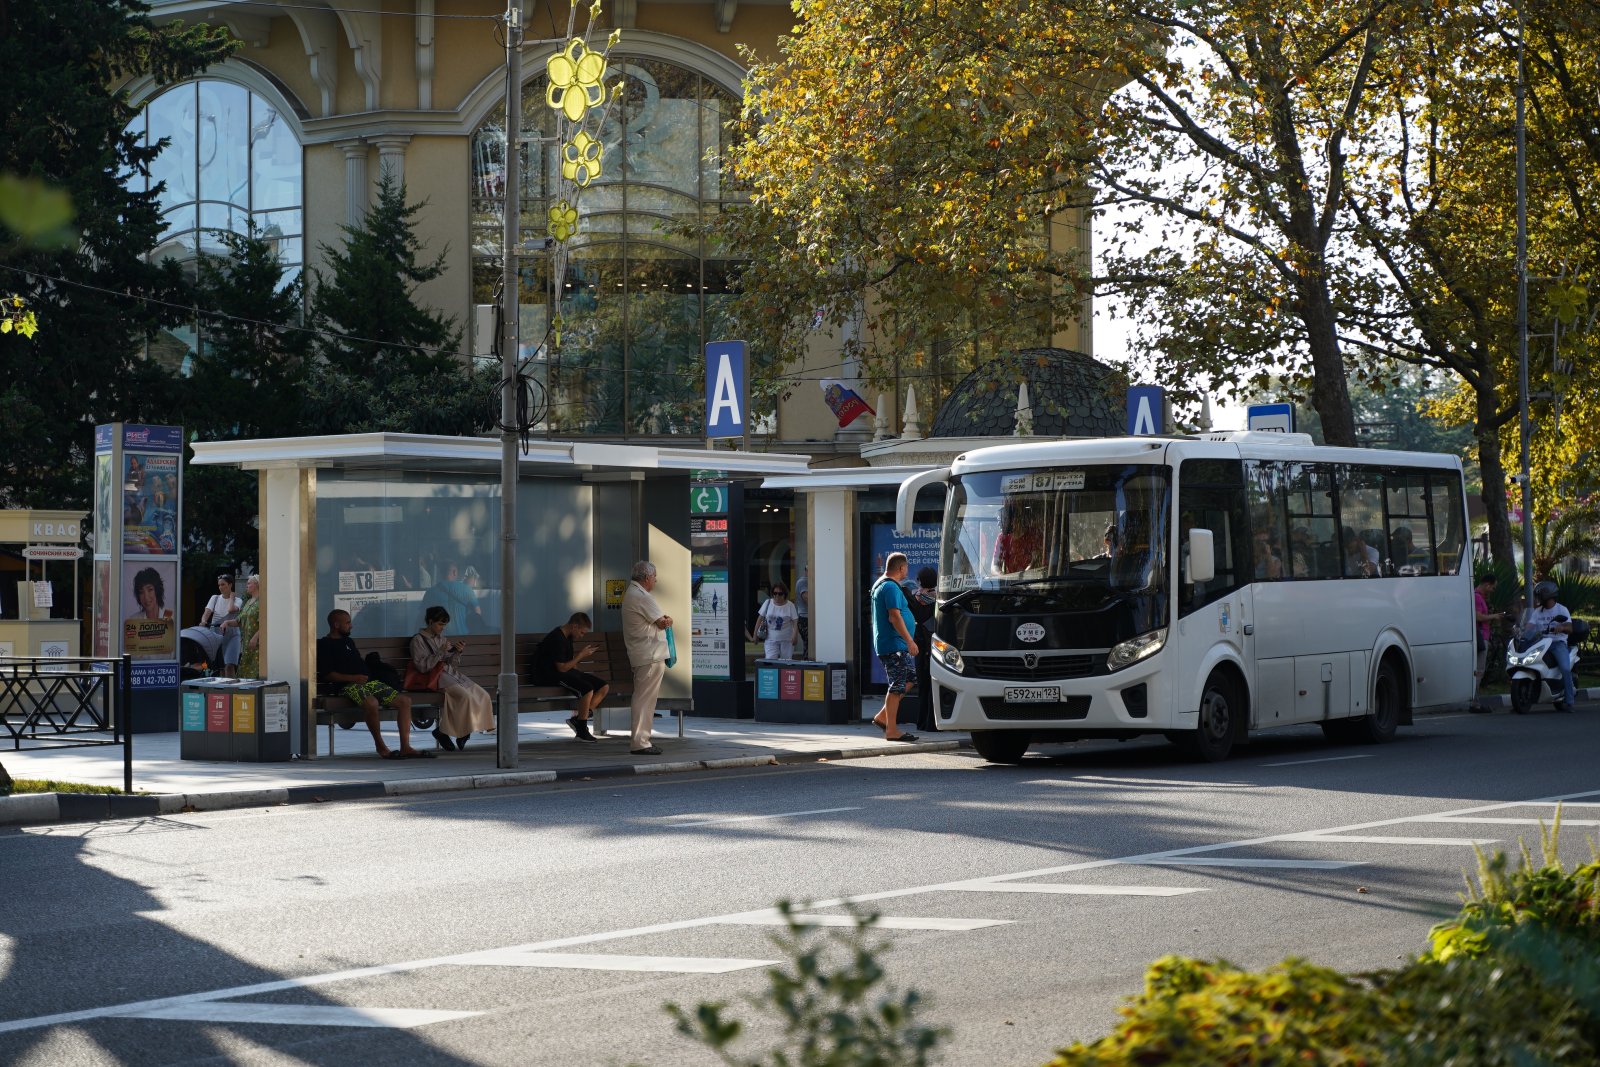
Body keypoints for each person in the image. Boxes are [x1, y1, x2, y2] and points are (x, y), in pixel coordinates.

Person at [318, 608, 430, 759]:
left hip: (367, 683)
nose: (351, 626)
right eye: (348, 623)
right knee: (372, 703)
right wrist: (354, 678)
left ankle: (406, 747)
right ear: (336, 625)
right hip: (346, 686)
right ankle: (381, 746)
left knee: (405, 701)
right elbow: (329, 674)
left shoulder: (348, 641)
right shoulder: (325, 645)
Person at [410, 606, 494, 750]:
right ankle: (460, 732)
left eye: (444, 625)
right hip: (435, 678)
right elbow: (422, 667)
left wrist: (457, 652)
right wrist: (440, 652)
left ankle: (450, 732)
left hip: (451, 675)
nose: (442, 628)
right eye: (440, 624)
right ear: (430, 622)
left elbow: (452, 664)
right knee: (464, 697)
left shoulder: (442, 639)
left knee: (483, 695)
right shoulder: (417, 640)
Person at [532, 611, 608, 743]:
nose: (582, 636)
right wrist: (581, 655)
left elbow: (569, 662)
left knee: (603, 687)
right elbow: (561, 668)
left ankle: (578, 720)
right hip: (549, 675)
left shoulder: (567, 636)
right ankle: (582, 731)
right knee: (587, 689)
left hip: (565, 672)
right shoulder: (557, 639)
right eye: (582, 632)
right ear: (574, 626)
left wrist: (578, 675)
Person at [621, 560, 672, 755]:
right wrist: (669, 620)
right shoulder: (642, 596)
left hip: (643, 655)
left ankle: (641, 740)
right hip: (650, 655)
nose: (656, 580)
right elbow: (662, 622)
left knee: (644, 698)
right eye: (655, 577)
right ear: (647, 577)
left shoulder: (632, 593)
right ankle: (640, 742)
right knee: (645, 700)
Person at [869, 552, 919, 742]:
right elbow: (894, 617)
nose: (907, 571)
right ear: (901, 568)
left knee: (910, 679)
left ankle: (883, 717)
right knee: (897, 685)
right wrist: (909, 640)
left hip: (894, 643)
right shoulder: (890, 586)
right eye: (906, 567)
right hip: (894, 644)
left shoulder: (883, 584)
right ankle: (891, 730)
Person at [1528, 579, 1577, 712]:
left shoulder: (1561, 609)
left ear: (1547, 595)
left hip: (1557, 643)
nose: (1537, 599)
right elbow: (1529, 626)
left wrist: (1561, 627)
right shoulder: (1537, 611)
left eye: (1539, 596)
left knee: (1565, 669)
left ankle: (1569, 702)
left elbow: (1570, 627)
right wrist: (1521, 630)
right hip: (1540, 644)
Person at [1469, 572, 1505, 714]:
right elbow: (1477, 616)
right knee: (1479, 671)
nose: (1493, 590)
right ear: (1487, 585)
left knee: (1478, 671)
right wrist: (1494, 616)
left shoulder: (1478, 597)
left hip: (1482, 637)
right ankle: (1474, 703)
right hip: (1480, 637)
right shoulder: (1477, 597)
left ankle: (1475, 701)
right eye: (1493, 587)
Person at [908, 566, 938, 732]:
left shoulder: (914, 599)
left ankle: (921, 722)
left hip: (919, 646)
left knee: (923, 686)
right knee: (934, 686)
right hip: (936, 645)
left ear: (920, 581)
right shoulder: (939, 600)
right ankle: (932, 723)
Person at [422, 561, 483, 636]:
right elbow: (477, 612)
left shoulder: (430, 592)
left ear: (441, 572)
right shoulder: (466, 589)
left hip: (440, 638)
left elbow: (422, 616)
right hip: (463, 637)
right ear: (455, 572)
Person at [200, 573, 243, 677]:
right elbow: (206, 613)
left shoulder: (238, 600)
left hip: (232, 635)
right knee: (221, 666)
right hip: (217, 634)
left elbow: (231, 610)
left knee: (229, 665)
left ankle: (231, 685)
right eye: (219, 585)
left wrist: (231, 597)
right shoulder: (214, 598)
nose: (220, 587)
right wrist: (203, 621)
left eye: (223, 584)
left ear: (230, 585)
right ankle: (223, 686)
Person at [747, 582, 799, 660]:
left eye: (780, 594)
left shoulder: (790, 605)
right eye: (775, 593)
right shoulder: (768, 603)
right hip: (770, 639)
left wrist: (795, 635)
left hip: (786, 639)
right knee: (770, 660)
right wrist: (755, 634)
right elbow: (760, 619)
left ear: (784, 594)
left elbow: (795, 621)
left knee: (786, 661)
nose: (777, 596)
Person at [238, 574, 262, 679]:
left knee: (255, 670)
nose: (246, 585)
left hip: (257, 643)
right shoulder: (248, 602)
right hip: (247, 644)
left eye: (249, 583)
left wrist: (255, 637)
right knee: (245, 670)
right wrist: (227, 622)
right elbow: (239, 620)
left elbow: (265, 623)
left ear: (256, 585)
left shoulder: (262, 602)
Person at [794, 565, 810, 657]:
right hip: (805, 619)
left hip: (807, 618)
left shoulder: (810, 581)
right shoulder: (803, 581)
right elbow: (808, 599)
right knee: (809, 647)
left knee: (809, 647)